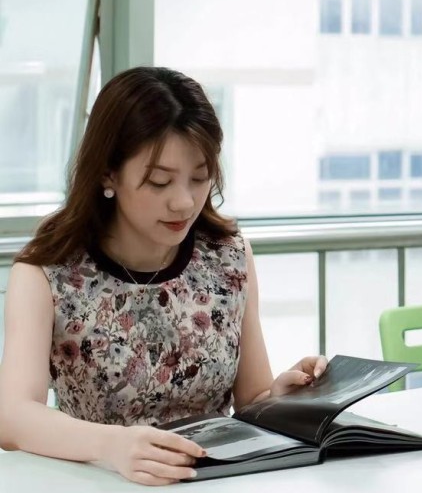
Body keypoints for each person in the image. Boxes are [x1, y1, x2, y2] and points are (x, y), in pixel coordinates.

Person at [0, 67, 327, 486]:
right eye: (159, 181)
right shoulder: (48, 272)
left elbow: (252, 401)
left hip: (217, 481)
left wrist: (282, 396)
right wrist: (112, 445)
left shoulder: (229, 257)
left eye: (200, 176)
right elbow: (11, 417)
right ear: (108, 173)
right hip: (101, 481)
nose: (184, 201)